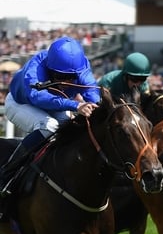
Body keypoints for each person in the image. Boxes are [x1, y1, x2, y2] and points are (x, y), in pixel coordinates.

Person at [0, 36, 100, 196]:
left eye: (71, 77)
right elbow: (37, 97)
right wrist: (76, 105)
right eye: (61, 77)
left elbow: (92, 91)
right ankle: (6, 173)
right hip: (21, 103)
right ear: (50, 67)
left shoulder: (82, 67)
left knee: (70, 129)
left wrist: (97, 106)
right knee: (49, 126)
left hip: (55, 104)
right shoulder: (36, 65)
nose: (66, 82)